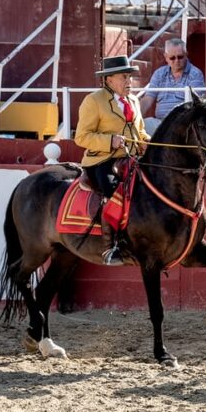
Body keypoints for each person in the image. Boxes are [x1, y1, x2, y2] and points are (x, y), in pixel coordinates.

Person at [74, 55, 150, 265]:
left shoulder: (133, 100)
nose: (129, 82)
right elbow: (81, 137)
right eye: (124, 77)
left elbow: (140, 132)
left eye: (130, 77)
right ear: (109, 79)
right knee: (112, 189)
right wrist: (110, 141)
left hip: (131, 158)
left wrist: (147, 142)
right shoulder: (93, 101)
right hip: (102, 160)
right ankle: (110, 247)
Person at [140, 38, 205, 135]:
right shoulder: (159, 74)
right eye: (172, 58)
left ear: (186, 55)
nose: (176, 61)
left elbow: (195, 105)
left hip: (184, 125)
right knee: (140, 127)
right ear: (166, 57)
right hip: (160, 123)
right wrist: (135, 117)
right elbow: (148, 99)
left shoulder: (195, 74)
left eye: (180, 57)